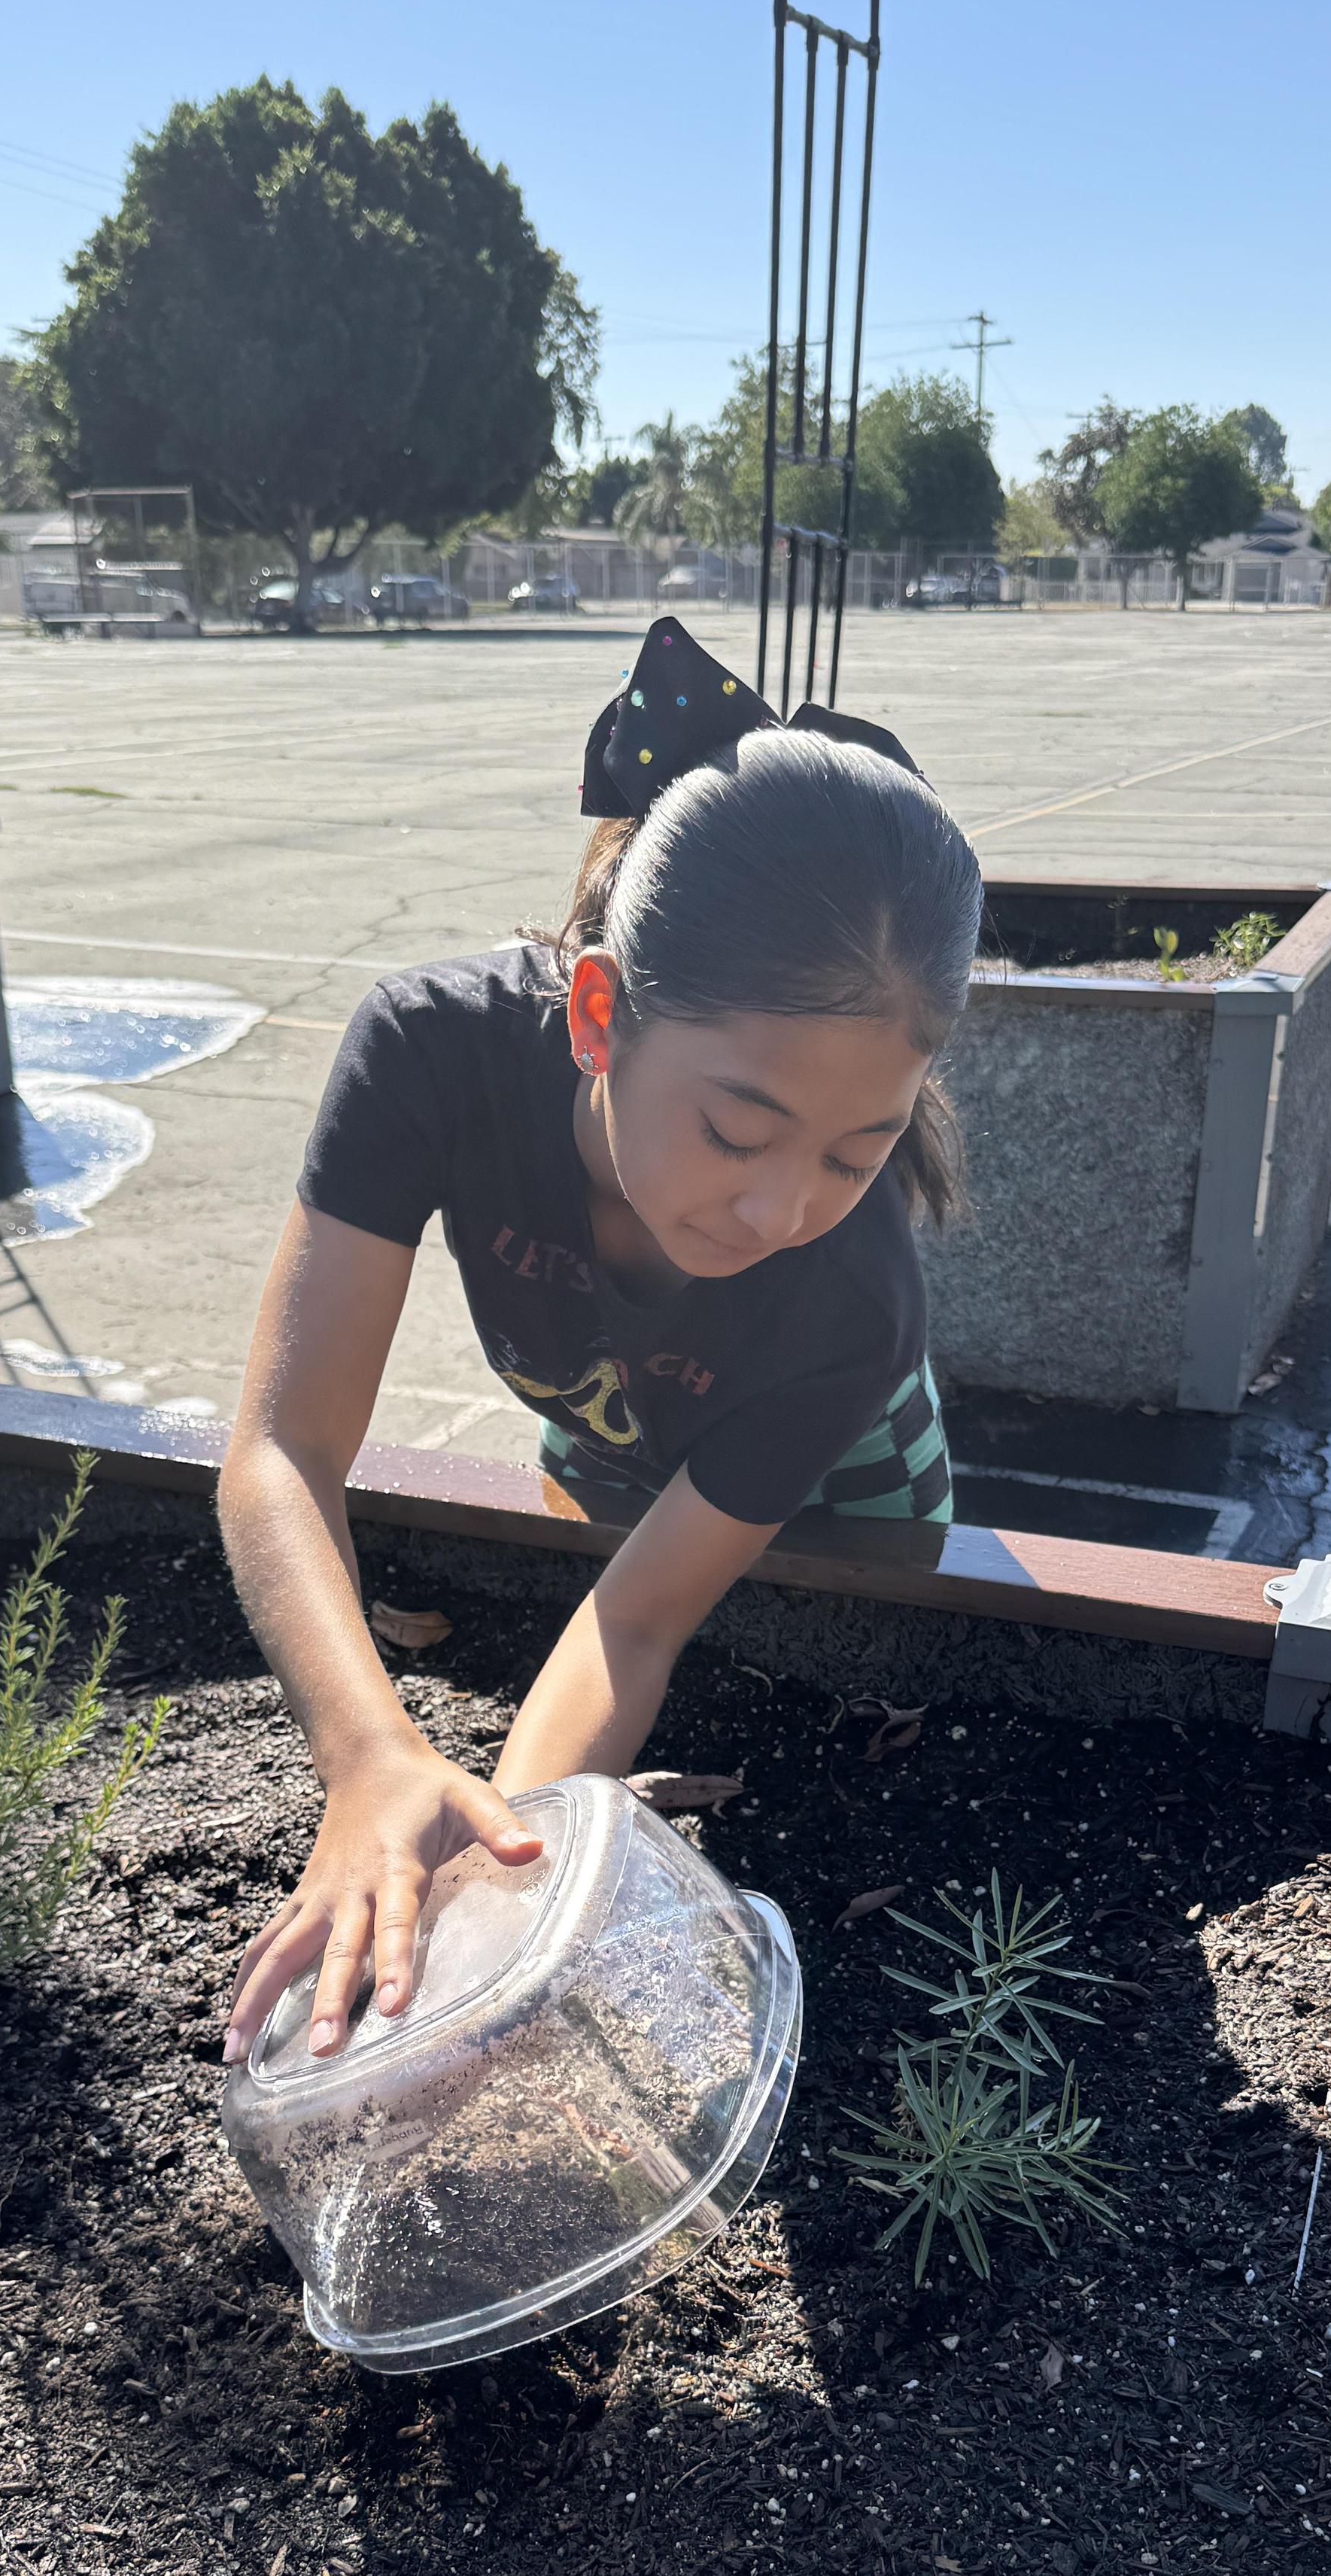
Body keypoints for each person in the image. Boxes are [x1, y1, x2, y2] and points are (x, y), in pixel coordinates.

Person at [218, 616, 983, 2066]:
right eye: (737, 1131)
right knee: (610, 1495)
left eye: (857, 1150)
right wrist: (378, 1763)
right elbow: (281, 1447)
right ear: (595, 1014)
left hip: (854, 1476)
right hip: (612, 1417)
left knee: (844, 1647)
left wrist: (501, 1902)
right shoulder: (426, 1055)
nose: (780, 1209)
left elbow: (640, 1620)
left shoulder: (849, 1288)